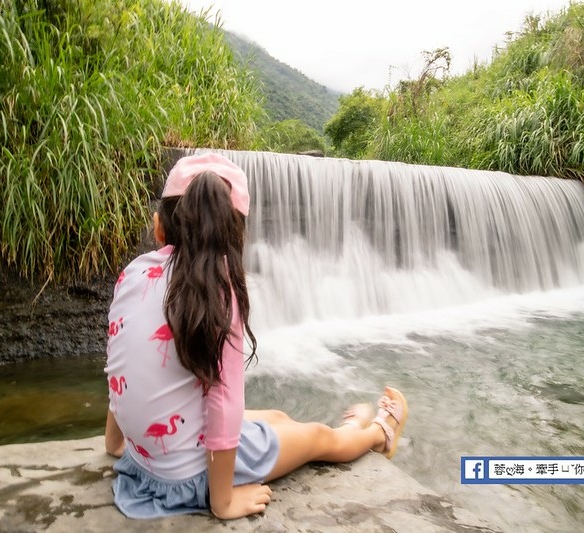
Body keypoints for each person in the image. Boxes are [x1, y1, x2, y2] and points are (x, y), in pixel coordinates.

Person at [104, 153, 408, 520]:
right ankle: (377, 434)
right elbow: (224, 405)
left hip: (140, 461)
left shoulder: (133, 273)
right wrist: (223, 502)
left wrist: (116, 444)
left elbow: (122, 366)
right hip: (186, 478)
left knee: (277, 416)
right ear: (233, 236)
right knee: (315, 438)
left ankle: (351, 428)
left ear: (158, 227)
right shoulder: (218, 294)